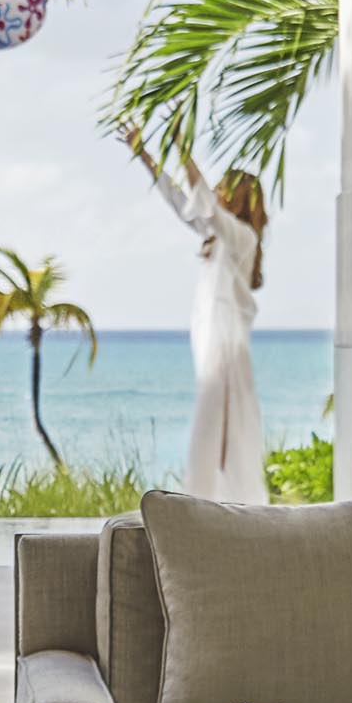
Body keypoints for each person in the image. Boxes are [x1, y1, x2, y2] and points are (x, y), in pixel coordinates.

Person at [125, 131, 267, 504]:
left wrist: (181, 146)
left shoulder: (242, 236)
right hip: (211, 339)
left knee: (221, 427)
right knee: (219, 426)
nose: (216, 191)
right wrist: (145, 154)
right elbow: (179, 199)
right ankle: (215, 503)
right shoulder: (216, 235)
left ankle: (215, 504)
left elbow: (201, 199)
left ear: (236, 198)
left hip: (225, 341)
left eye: (224, 188)